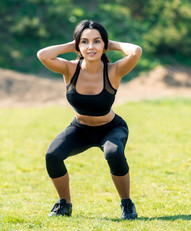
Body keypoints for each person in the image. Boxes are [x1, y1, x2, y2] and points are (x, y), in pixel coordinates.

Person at [37, 20, 142, 219]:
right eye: (84, 42)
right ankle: (64, 204)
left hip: (111, 128)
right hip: (80, 129)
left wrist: (111, 44)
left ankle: (126, 204)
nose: (91, 46)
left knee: (114, 153)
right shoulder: (69, 69)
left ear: (104, 45)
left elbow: (136, 51)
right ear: (78, 45)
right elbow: (42, 55)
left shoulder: (114, 70)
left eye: (97, 42)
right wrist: (74, 44)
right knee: (52, 155)